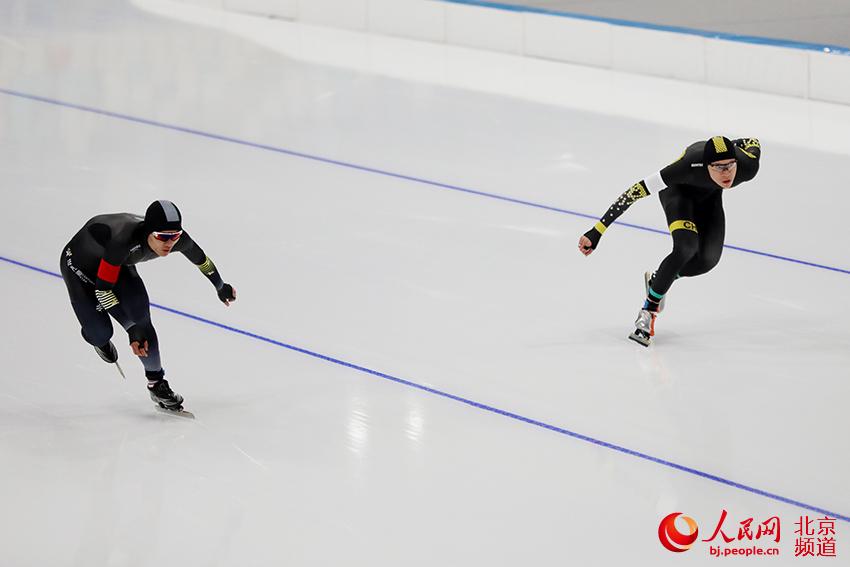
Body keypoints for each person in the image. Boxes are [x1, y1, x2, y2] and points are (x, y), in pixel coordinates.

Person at [578, 136, 761, 346]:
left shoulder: (747, 166)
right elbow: (634, 192)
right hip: (678, 194)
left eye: (729, 165)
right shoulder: (687, 166)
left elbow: (753, 141)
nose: (726, 173)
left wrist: (732, 143)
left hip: (710, 198)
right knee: (686, 247)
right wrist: (597, 230)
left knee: (707, 261)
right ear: (706, 165)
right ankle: (648, 311)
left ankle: (659, 280)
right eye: (718, 167)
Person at [61, 200, 236, 409]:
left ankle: (157, 383)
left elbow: (202, 260)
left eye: (174, 236)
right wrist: (129, 327)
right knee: (101, 332)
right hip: (80, 267)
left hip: (117, 265)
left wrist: (220, 286)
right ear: (148, 232)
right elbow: (102, 290)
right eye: (163, 237)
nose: (169, 243)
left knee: (141, 315)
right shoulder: (123, 241)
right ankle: (96, 338)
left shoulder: (174, 238)